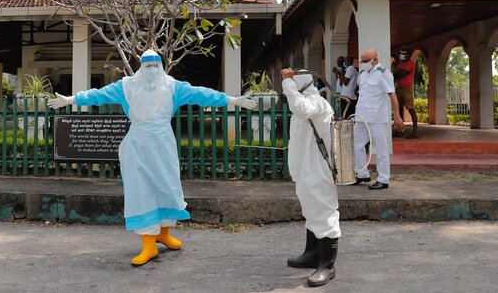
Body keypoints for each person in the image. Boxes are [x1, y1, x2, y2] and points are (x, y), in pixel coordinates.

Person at [48, 49, 256, 266]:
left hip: (163, 144)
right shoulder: (126, 86)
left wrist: (232, 100)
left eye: (156, 64)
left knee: (167, 186)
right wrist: (72, 99)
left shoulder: (173, 86)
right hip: (137, 146)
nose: (153, 69)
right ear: (141, 66)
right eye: (148, 65)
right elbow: (99, 95)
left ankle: (163, 233)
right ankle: (148, 244)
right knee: (142, 190)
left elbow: (201, 93)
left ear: (161, 65)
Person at [281, 68, 340, 288]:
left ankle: (327, 265)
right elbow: (301, 132)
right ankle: (311, 253)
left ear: (299, 86)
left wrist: (287, 82)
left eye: (290, 87)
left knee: (323, 211)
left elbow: (300, 108)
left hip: (318, 169)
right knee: (311, 209)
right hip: (306, 169)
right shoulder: (303, 104)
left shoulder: (316, 102)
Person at [353, 49, 405, 190]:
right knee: (357, 145)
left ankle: (383, 179)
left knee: (381, 148)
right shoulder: (363, 74)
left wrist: (397, 116)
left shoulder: (383, 74)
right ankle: (362, 174)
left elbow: (392, 95)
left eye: (365, 60)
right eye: (362, 60)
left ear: (375, 59)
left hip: (376, 117)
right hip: (361, 116)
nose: (363, 63)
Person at [393, 49, 419, 139]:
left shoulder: (410, 63)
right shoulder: (400, 65)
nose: (401, 55)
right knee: (399, 110)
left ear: (408, 55)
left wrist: (399, 73)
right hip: (399, 88)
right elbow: (395, 75)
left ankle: (415, 132)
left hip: (407, 88)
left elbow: (399, 74)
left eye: (404, 54)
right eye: (401, 53)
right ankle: (399, 130)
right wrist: (400, 73)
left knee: (411, 109)